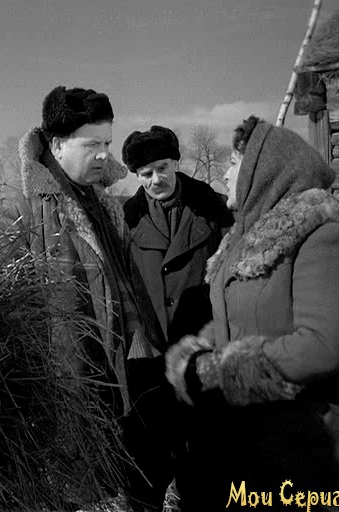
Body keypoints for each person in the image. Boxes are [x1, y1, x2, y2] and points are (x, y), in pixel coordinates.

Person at [165, 116, 339, 511]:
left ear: (263, 172)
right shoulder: (238, 244)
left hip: (311, 445)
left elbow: (324, 346)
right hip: (253, 440)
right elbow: (233, 317)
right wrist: (198, 351)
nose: (225, 174)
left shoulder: (323, 239)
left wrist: (224, 370)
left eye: (233, 164)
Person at [3, 86, 165, 510]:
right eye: (91, 144)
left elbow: (129, 295)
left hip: (119, 383)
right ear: (57, 145)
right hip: (62, 394)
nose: (103, 155)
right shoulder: (21, 211)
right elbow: (4, 320)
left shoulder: (108, 207)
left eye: (107, 143)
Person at [120, 126, 233, 510]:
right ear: (137, 176)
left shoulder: (212, 208)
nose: (156, 179)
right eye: (146, 173)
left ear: (176, 162)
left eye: (163, 168)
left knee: (203, 455)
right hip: (148, 355)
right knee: (147, 458)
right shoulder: (127, 219)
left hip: (202, 348)